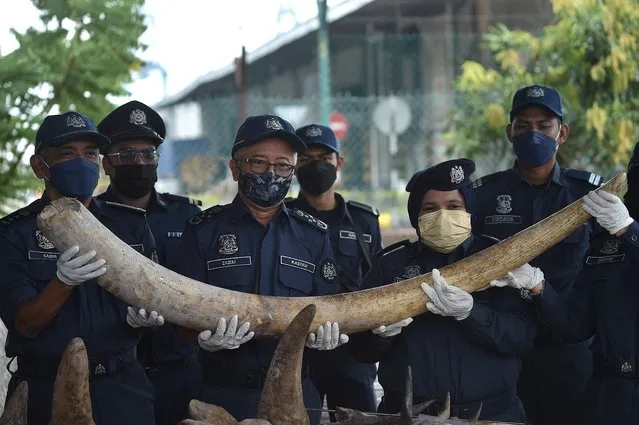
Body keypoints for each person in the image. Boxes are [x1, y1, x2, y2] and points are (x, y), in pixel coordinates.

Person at [172, 114, 348, 423]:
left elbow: (329, 305)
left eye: (283, 165)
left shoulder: (314, 236)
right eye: (258, 163)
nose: (271, 173)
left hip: (296, 395)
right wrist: (201, 338)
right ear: (235, 167)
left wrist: (326, 336)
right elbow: (176, 313)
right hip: (223, 393)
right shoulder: (202, 232)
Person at [0, 112, 163, 425]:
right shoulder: (12, 234)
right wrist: (62, 282)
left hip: (124, 390)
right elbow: (25, 324)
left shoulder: (131, 226)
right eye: (66, 154)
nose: (82, 161)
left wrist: (144, 321)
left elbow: (152, 314)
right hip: (46, 390)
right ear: (39, 166)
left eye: (90, 153)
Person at [351, 159, 537, 422]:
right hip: (407, 416)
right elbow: (361, 352)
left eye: (453, 206)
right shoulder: (391, 265)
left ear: (469, 211)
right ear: (417, 215)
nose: (443, 215)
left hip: (491, 414)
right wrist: (380, 336)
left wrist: (472, 313)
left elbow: (522, 337)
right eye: (430, 208)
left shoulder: (498, 260)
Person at [471, 84, 602, 425]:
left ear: (562, 132)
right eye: (523, 125)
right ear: (509, 132)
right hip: (502, 347)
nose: (533, 133)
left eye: (544, 125)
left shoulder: (586, 195)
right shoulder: (484, 196)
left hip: (569, 349)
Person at [490, 182, 639, 424]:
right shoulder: (607, 241)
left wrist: (629, 231)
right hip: (607, 391)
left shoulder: (625, 231)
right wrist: (537, 285)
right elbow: (576, 326)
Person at [96, 101, 203, 425]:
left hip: (181, 371)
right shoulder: (89, 220)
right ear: (107, 164)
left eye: (148, 154)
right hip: (112, 374)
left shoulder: (187, 216)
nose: (139, 162)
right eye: (126, 155)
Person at [285, 124, 380, 418]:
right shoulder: (282, 218)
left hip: (352, 349)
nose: (316, 166)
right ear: (294, 165)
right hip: (299, 349)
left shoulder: (364, 221)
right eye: (306, 159)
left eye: (324, 158)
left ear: (339, 162)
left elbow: (376, 279)